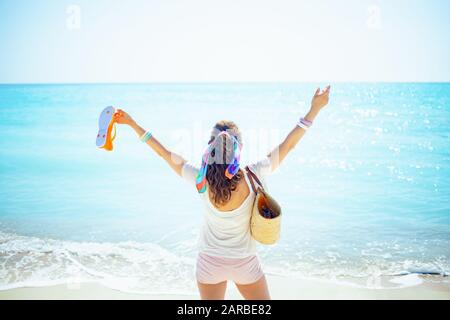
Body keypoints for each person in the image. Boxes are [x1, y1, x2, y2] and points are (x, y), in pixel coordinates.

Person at [113, 86, 331, 299]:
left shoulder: (201, 180)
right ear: (240, 147)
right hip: (245, 263)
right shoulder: (254, 175)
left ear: (211, 145)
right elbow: (289, 145)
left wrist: (132, 124)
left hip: (209, 265)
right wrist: (315, 109)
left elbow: (163, 153)